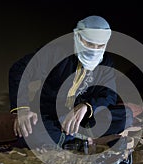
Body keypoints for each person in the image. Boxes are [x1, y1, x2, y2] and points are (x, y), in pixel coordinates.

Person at [8, 15, 133, 149]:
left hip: (81, 119)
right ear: (77, 37)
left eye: (100, 45)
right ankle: (82, 139)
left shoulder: (106, 62)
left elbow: (109, 95)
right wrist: (22, 109)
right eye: (89, 44)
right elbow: (20, 70)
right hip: (50, 116)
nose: (94, 50)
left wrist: (87, 106)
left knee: (125, 116)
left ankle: (72, 138)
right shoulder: (55, 51)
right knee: (30, 133)